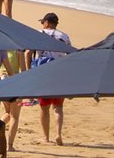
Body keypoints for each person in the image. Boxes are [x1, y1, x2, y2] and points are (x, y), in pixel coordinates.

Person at [30, 12, 72, 146]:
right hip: (60, 72)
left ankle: (46, 137)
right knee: (58, 106)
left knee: (44, 107)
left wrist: (29, 70)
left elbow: (29, 53)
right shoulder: (64, 36)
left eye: (43, 22)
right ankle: (58, 134)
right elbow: (70, 55)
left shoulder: (38, 34)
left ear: (46, 23)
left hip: (43, 72)